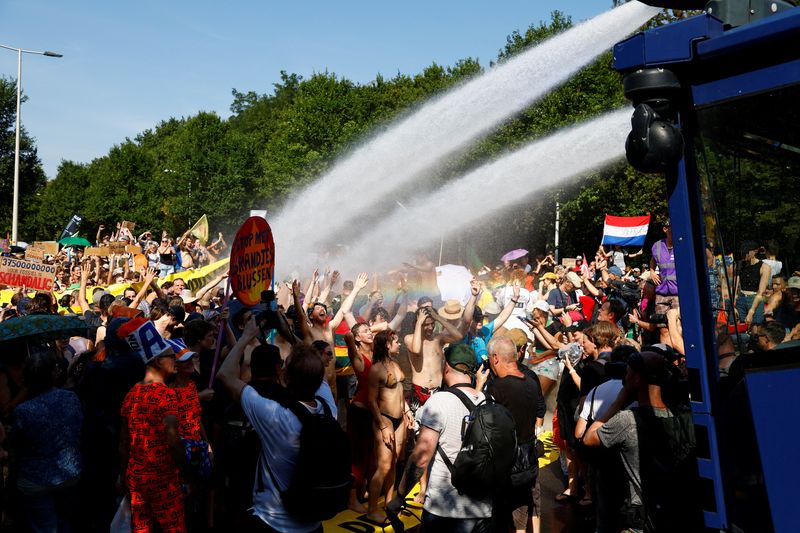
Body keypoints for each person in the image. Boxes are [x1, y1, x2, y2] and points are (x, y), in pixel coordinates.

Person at [216, 315, 336, 533]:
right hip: (314, 522)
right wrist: (289, 334)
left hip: (273, 523)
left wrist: (246, 338)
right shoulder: (328, 408)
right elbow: (314, 362)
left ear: (286, 376)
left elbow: (224, 374)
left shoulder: (276, 415)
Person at [583, 351, 700, 532]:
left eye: (628, 373)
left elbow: (589, 438)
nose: (625, 377)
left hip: (641, 517)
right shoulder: (684, 415)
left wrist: (618, 403)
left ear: (637, 378)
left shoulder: (628, 420)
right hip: (675, 511)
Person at [387, 343, 492, 533]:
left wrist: (400, 496)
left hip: (445, 510)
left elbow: (421, 457)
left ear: (447, 367)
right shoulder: (487, 400)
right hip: (482, 508)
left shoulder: (439, 402)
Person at [119, 320, 187, 533]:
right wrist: (187, 474)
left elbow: (123, 443)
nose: (175, 360)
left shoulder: (131, 393)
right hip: (163, 479)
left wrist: (125, 476)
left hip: (137, 478)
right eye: (170, 356)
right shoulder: (167, 395)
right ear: (157, 361)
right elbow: (173, 440)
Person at [11, 349, 83, 533]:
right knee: (65, 522)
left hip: (37, 480)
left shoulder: (23, 410)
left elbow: (17, 445)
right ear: (53, 374)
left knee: (47, 527)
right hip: (69, 474)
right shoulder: (70, 398)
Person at [486, 336, 545, 533]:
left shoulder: (497, 387)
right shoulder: (531, 383)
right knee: (521, 510)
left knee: (501, 518)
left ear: (495, 358)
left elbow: (485, 424)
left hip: (505, 466)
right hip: (527, 461)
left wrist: (479, 389)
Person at [366, 330, 413, 523]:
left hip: (400, 418)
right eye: (395, 341)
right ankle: (371, 511)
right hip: (384, 419)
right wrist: (383, 427)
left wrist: (408, 411)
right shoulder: (376, 369)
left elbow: (400, 391)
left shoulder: (395, 363)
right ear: (386, 344)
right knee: (383, 466)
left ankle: (390, 503)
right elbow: (371, 401)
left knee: (393, 463)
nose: (399, 343)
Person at [404, 306, 464, 413]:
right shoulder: (409, 338)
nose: (430, 327)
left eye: (432, 324)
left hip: (438, 390)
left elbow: (459, 336)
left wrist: (438, 318)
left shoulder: (438, 338)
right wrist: (419, 322)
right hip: (419, 390)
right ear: (417, 324)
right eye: (426, 324)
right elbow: (416, 350)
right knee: (418, 427)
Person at [650, 219, 679, 313]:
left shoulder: (681, 245)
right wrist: (652, 271)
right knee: (661, 325)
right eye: (672, 229)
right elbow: (653, 260)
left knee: (677, 324)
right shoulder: (657, 246)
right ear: (665, 229)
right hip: (661, 292)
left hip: (678, 293)